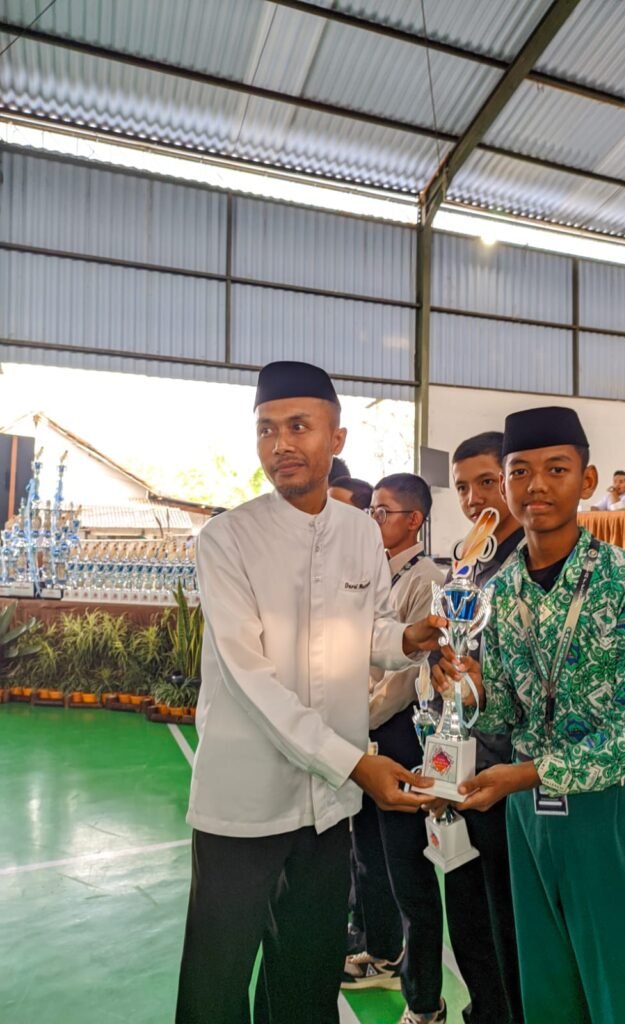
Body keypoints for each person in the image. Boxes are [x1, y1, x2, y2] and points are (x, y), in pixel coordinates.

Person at [175, 361, 442, 1024]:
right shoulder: (227, 539)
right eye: (267, 429)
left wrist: (410, 639)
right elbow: (250, 679)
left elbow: (368, 628)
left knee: (305, 979)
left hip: (326, 809)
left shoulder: (358, 532)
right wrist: (355, 764)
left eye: (299, 426)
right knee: (215, 983)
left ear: (337, 437)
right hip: (245, 800)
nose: (281, 444)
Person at [434, 406, 625, 1024]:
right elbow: (506, 712)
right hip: (530, 815)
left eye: (557, 469)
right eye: (520, 471)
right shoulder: (499, 591)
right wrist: (471, 691)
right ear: (506, 484)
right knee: (548, 991)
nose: (536, 485)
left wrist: (529, 773)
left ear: (587, 480)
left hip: (614, 810)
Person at [343, 473, 448, 1024]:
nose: (373, 520)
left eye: (382, 511)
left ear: (414, 520)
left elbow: (403, 677)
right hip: (363, 732)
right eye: (372, 511)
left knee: (408, 871)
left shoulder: (426, 580)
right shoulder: (372, 572)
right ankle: (381, 953)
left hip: (399, 734)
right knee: (367, 857)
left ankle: (424, 999)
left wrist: (352, 720)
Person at [433, 431, 525, 1024]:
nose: (474, 499)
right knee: (467, 909)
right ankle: (484, 1010)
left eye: (487, 482)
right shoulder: (467, 561)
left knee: (506, 916)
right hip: (460, 755)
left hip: (508, 769)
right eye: (463, 487)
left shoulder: (531, 562)